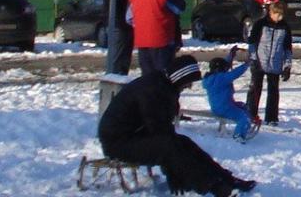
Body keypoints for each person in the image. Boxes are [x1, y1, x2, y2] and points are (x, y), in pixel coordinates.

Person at [98, 54, 256, 197]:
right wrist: (173, 173)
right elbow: (158, 131)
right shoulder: (153, 90)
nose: (188, 87)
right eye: (188, 83)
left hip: (136, 135)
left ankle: (226, 179)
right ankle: (214, 187)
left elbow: (163, 129)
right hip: (118, 143)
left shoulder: (164, 85)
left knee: (183, 142)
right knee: (170, 145)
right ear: (180, 78)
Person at [129, 0, 184, 77]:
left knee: (147, 76)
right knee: (162, 75)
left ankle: (148, 94)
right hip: (161, 39)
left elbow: (128, 17)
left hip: (142, 40)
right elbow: (179, 8)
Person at [245, 1, 292, 126]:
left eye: (281, 14)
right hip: (259, 62)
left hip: (275, 64)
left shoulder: (285, 27)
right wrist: (254, 59)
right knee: (255, 89)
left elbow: (288, 48)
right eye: (277, 14)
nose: (279, 17)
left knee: (273, 91)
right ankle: (251, 115)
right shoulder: (260, 24)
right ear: (271, 12)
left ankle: (271, 118)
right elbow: (252, 43)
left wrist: (287, 66)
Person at [203, 47, 257, 142]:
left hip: (217, 107)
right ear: (219, 69)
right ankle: (238, 136)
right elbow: (234, 73)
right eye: (224, 69)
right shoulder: (222, 78)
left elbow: (224, 65)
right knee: (243, 117)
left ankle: (245, 127)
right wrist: (247, 64)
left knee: (243, 106)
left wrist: (231, 55)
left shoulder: (210, 78)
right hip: (225, 108)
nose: (226, 69)